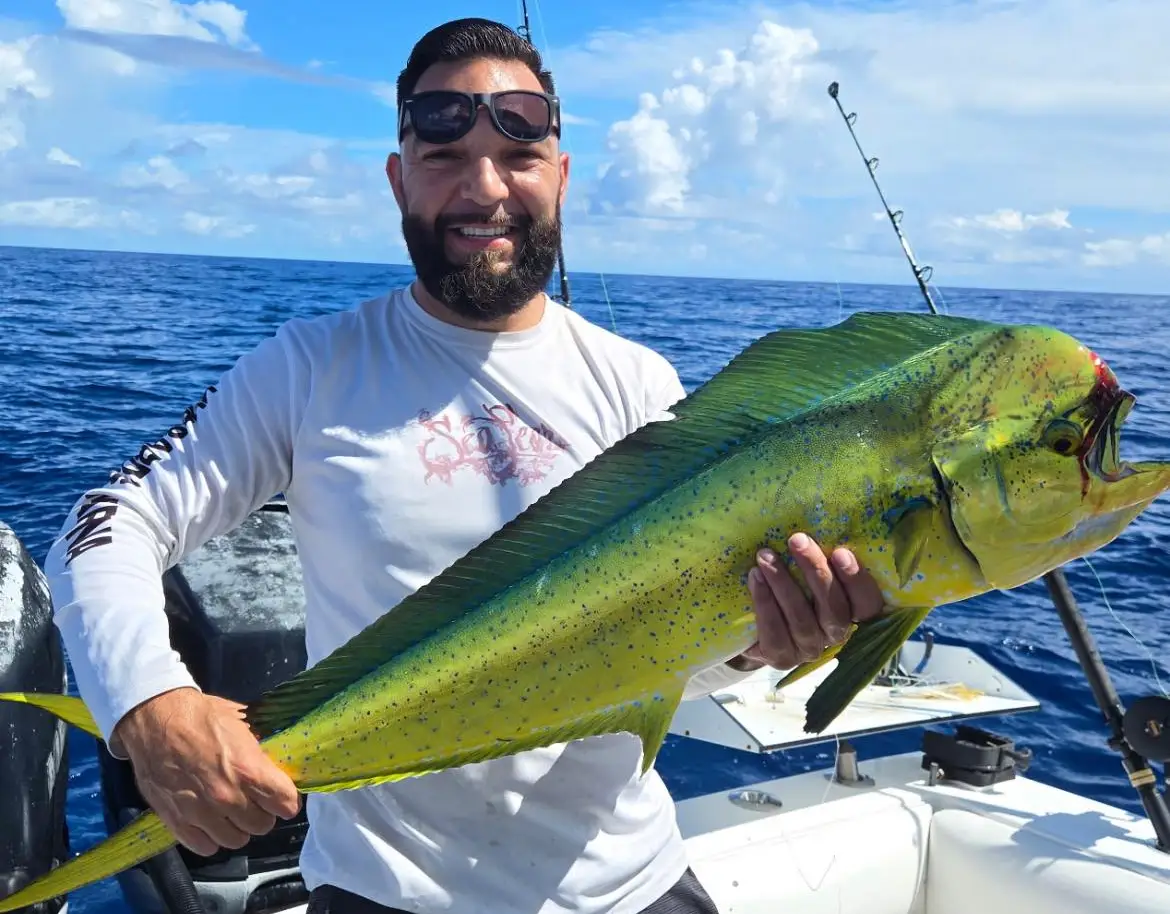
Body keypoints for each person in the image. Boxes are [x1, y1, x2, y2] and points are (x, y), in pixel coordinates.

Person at [43, 17, 885, 914]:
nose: (485, 188)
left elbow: (672, 663)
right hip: (384, 897)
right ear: (399, 179)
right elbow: (105, 523)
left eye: (518, 159)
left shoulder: (642, 385)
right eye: (445, 159)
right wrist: (151, 703)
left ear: (559, 178)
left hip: (637, 887)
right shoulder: (310, 367)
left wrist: (759, 644)